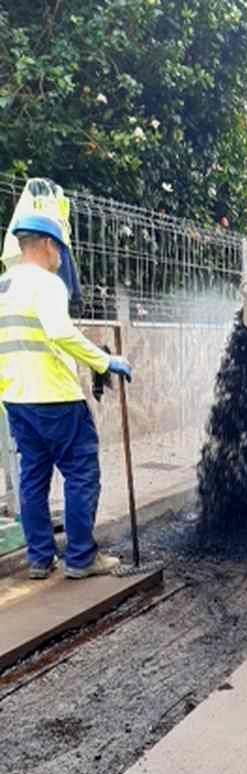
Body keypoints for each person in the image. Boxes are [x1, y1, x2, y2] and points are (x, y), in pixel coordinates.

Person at [0, 213, 133, 579]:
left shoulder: (3, 286)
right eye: (59, 248)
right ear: (48, 244)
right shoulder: (47, 283)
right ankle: (81, 558)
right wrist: (104, 361)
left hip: (17, 400)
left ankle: (40, 559)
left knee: (33, 477)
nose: (60, 256)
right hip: (55, 397)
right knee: (81, 472)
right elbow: (60, 332)